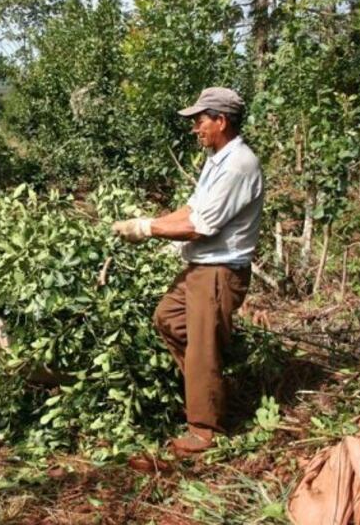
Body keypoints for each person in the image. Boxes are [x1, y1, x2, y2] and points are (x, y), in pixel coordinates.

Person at [112, 87, 264, 456]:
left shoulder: (239, 165)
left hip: (219, 271)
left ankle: (204, 431)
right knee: (168, 318)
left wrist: (148, 229)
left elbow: (200, 227)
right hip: (201, 267)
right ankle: (210, 389)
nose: (195, 128)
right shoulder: (217, 160)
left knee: (203, 349)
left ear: (221, 120)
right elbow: (191, 210)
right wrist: (149, 222)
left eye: (200, 121)